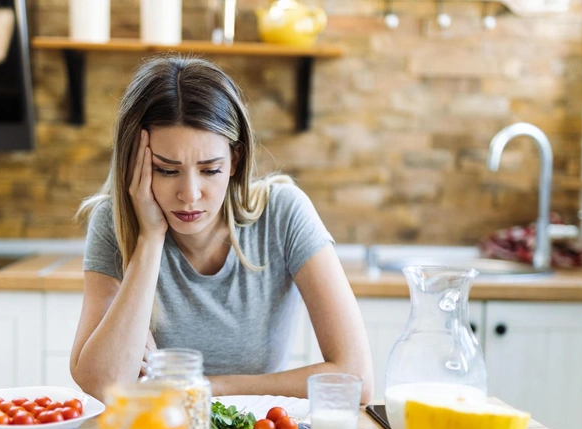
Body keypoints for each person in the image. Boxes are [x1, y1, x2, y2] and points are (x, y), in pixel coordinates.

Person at [70, 55, 373, 403]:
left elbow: (357, 378)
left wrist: (200, 387)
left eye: (210, 169)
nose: (190, 194)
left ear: (235, 160)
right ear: (134, 164)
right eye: (167, 170)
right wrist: (149, 241)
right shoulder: (114, 223)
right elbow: (102, 384)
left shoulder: (283, 213)